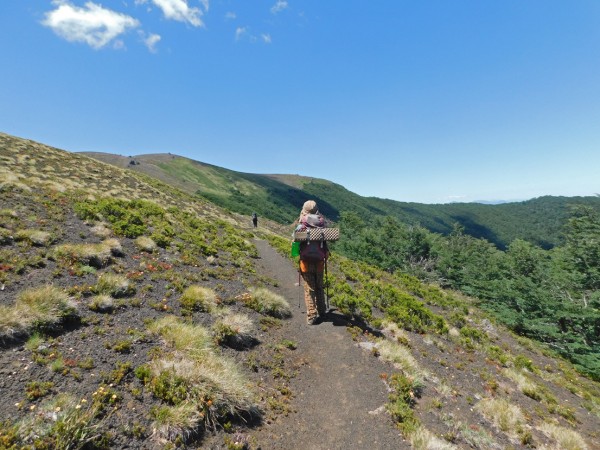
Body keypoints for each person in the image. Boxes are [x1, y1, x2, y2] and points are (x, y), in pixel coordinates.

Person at [295, 200, 328, 325]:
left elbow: (295, 242)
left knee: (309, 288)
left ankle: (311, 315)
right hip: (319, 260)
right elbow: (325, 243)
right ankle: (322, 311)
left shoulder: (301, 225)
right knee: (319, 286)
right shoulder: (322, 224)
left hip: (306, 261)